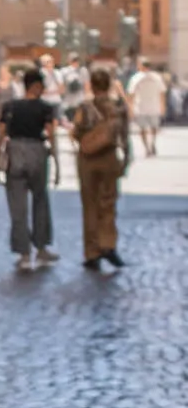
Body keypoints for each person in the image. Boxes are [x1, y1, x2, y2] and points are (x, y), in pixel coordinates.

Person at [0, 67, 61, 272]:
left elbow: (1, 134)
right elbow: (52, 135)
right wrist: (57, 163)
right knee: (40, 200)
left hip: (15, 152)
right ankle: (41, 248)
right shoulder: (45, 108)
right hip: (37, 152)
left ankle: (24, 253)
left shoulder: (10, 106)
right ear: (36, 86)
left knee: (17, 206)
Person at [71, 65, 132, 270]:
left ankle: (92, 252)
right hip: (109, 158)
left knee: (89, 205)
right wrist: (126, 159)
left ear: (91, 85)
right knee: (108, 204)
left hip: (87, 160)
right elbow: (124, 134)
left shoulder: (84, 107)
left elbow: (76, 132)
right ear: (109, 84)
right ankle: (108, 245)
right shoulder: (118, 107)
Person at [127, 57, 166, 158]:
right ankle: (152, 142)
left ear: (140, 66)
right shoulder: (157, 77)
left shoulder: (135, 78)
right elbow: (162, 92)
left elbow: (131, 94)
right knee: (154, 127)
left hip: (140, 107)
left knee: (143, 129)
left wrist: (130, 108)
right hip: (154, 106)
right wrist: (162, 106)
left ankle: (147, 148)